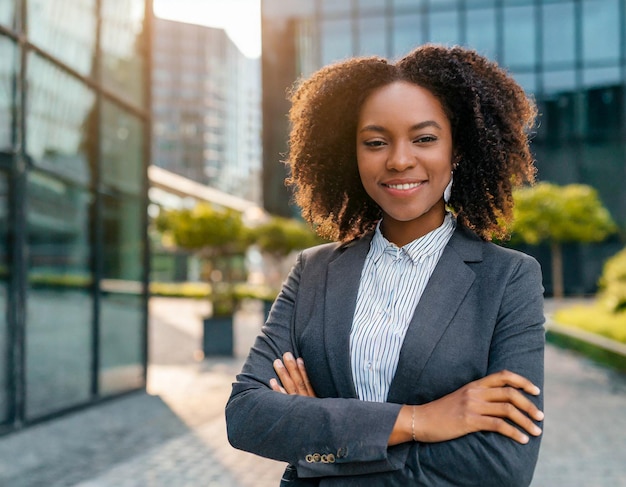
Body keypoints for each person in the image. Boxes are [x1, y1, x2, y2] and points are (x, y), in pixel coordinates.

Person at [226, 44, 545, 486]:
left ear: (457, 149)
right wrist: (420, 421)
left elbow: (503, 465)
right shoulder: (314, 272)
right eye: (375, 142)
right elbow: (246, 416)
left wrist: (319, 445)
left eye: (424, 138)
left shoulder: (508, 278)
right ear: (350, 153)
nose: (398, 159)